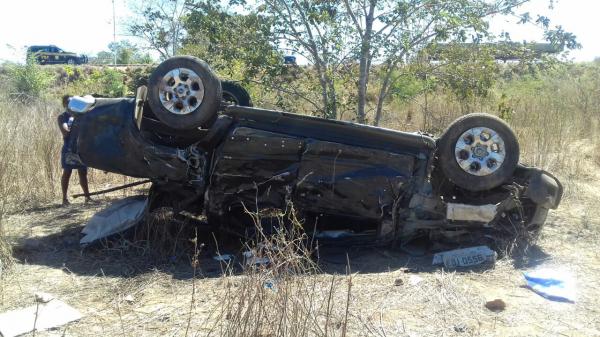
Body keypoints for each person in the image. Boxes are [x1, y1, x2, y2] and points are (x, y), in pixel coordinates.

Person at [58, 95, 92, 205]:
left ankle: (87, 197)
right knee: (67, 173)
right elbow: (65, 132)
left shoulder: (81, 115)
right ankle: (64, 199)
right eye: (68, 102)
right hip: (69, 149)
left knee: (83, 173)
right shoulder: (63, 117)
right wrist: (73, 119)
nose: (70, 104)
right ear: (64, 104)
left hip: (80, 148)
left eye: (72, 102)